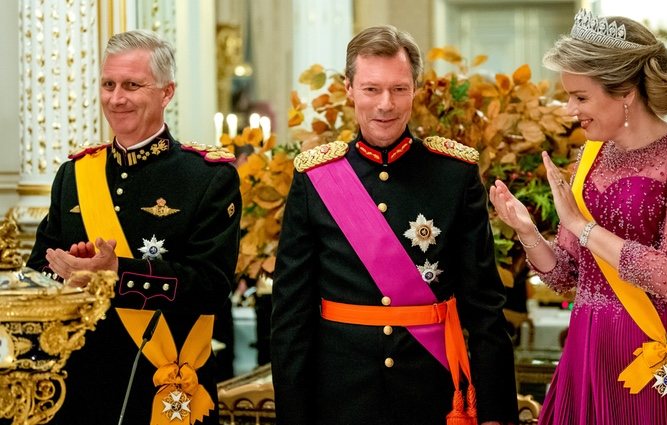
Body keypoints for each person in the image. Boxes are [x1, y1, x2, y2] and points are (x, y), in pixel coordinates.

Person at [271, 25, 518, 425]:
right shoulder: (315, 178)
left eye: (399, 89)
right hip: (339, 394)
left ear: (415, 89)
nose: (386, 104)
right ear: (348, 88)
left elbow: (484, 304)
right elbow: (290, 315)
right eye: (371, 89)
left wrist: (495, 412)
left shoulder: (454, 174)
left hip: (431, 391)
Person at [489, 10, 667, 424]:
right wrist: (527, 233)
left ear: (625, 93)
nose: (569, 110)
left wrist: (583, 227)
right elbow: (567, 276)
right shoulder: (589, 157)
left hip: (662, 341)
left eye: (580, 97)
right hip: (590, 343)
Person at [26, 29, 241, 425]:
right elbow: (37, 269)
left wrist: (117, 274)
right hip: (79, 384)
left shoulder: (207, 177)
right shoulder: (74, 174)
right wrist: (63, 276)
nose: (116, 98)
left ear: (167, 92)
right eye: (108, 84)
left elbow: (211, 287)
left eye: (131, 85)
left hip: (163, 378)